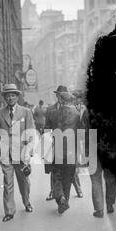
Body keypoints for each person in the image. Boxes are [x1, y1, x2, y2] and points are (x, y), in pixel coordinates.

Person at [0, 84, 35, 222]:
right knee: (8, 182)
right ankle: (9, 211)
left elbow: (31, 133)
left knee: (24, 182)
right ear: (4, 98)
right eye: (7, 95)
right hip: (5, 154)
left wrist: (29, 151)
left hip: (22, 154)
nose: (10, 98)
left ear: (17, 97)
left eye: (13, 95)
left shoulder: (26, 112)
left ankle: (27, 202)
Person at [45, 85, 83, 214]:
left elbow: (45, 132)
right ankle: (64, 200)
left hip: (58, 150)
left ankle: (61, 198)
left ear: (60, 100)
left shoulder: (52, 113)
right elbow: (81, 134)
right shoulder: (77, 114)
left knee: (57, 177)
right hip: (72, 152)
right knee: (67, 178)